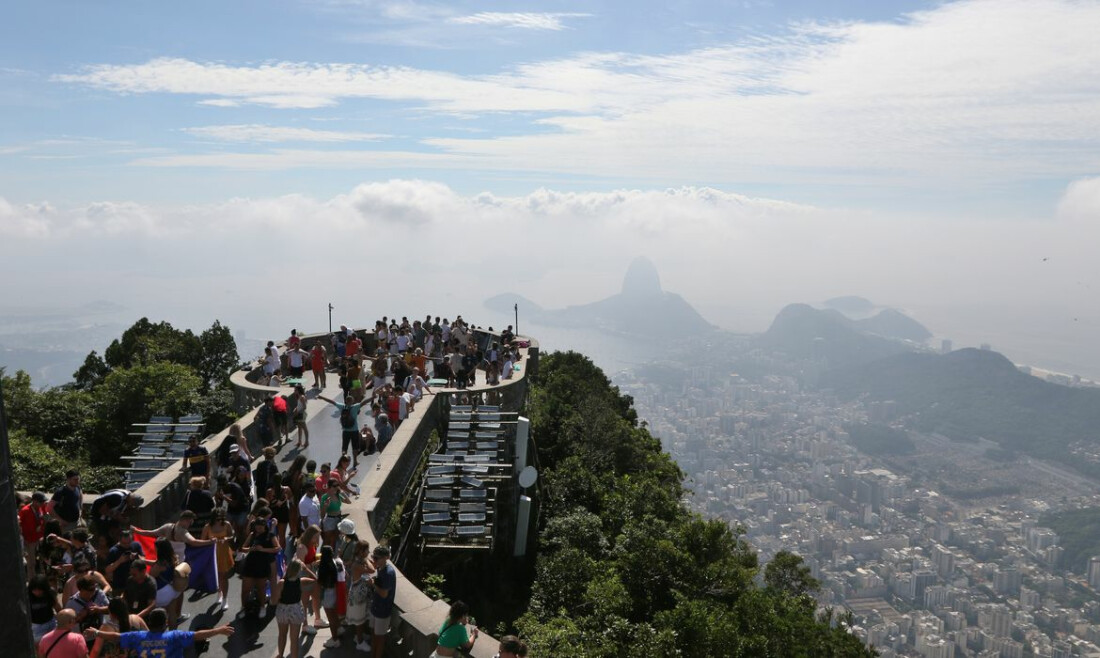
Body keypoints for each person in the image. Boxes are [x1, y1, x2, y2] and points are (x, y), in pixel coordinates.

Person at [85, 607, 234, 658]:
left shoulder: (138, 636)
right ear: (166, 624)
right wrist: (218, 630)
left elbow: (116, 637)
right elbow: (198, 635)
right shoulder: (174, 636)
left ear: (149, 623)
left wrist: (98, 632)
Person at [133, 510, 214, 563]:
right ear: (184, 520)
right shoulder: (183, 532)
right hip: (178, 562)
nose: (189, 525)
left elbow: (151, 533)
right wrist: (210, 542)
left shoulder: (167, 526)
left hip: (166, 561)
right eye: (189, 522)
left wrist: (137, 531)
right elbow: (193, 542)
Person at [275, 559, 315, 658]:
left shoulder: (281, 583)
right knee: (294, 639)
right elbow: (315, 579)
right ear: (299, 570)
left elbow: (275, 599)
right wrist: (307, 569)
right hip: (296, 610)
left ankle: (280, 655)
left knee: (282, 635)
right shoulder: (301, 581)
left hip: (283, 610)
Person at [147, 538, 190, 628]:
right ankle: (172, 634)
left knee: (160, 616)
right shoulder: (173, 558)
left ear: (159, 549)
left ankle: (160, 634)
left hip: (162, 593)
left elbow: (150, 577)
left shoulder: (159, 564)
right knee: (172, 612)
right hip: (174, 589)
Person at [318, 393, 367, 469]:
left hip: (345, 431)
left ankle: (343, 464)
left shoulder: (342, 407)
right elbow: (364, 402)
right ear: (352, 401)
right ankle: (355, 461)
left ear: (345, 401)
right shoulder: (355, 407)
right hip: (354, 430)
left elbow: (332, 402)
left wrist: (322, 397)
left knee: (344, 448)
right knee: (355, 447)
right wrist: (373, 397)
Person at [240, 518, 279, 612]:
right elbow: (243, 548)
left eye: (261, 527)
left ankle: (262, 607)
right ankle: (243, 607)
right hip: (251, 562)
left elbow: (277, 548)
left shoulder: (270, 535)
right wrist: (251, 549)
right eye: (257, 526)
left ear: (265, 526)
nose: (259, 529)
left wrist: (263, 549)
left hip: (264, 563)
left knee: (261, 588)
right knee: (245, 589)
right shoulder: (252, 534)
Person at [200, 508, 234, 610]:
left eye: (220, 518)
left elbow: (232, 535)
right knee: (216, 576)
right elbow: (202, 540)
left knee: (224, 576)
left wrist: (226, 538)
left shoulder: (227, 524)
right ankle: (219, 593)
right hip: (212, 554)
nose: (219, 520)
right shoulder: (207, 527)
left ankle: (225, 598)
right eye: (217, 518)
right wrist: (210, 540)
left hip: (224, 553)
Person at [345, 540, 375, 652]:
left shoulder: (358, 560)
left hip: (360, 592)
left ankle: (358, 636)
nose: (368, 552)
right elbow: (372, 570)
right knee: (359, 619)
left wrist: (366, 559)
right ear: (362, 552)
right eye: (367, 550)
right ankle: (360, 642)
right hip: (358, 594)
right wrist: (367, 560)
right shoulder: (357, 564)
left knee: (361, 616)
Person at [294, 525, 324, 633]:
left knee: (316, 597)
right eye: (316, 536)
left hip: (312, 574)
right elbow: (300, 565)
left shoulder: (313, 545)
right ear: (310, 536)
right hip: (305, 576)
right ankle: (305, 625)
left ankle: (318, 619)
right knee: (305, 602)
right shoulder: (302, 547)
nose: (317, 539)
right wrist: (312, 564)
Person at [317, 545, 346, 649]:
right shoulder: (338, 562)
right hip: (337, 591)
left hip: (328, 593)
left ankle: (335, 640)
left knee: (331, 618)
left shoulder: (324, 566)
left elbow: (319, 581)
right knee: (335, 614)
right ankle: (339, 629)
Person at [370, 544, 396, 658]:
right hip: (377, 607)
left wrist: (373, 585)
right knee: (375, 635)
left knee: (380, 638)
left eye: (376, 558)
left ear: (385, 558)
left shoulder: (388, 573)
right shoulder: (381, 568)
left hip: (383, 610)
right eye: (373, 557)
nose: (374, 560)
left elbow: (384, 594)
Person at [104, 528, 145, 594]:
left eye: (129, 542)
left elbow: (144, 560)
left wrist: (137, 557)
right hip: (120, 586)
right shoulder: (113, 551)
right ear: (119, 541)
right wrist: (119, 561)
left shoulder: (136, 545)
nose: (127, 545)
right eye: (124, 543)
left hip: (136, 583)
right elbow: (107, 570)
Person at [21, 491, 49, 580]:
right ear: (34, 501)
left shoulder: (42, 507)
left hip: (40, 538)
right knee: (31, 563)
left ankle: (43, 579)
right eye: (41, 502)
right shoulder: (25, 511)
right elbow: (21, 526)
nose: (43, 503)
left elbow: (44, 517)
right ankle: (32, 581)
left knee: (42, 560)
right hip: (30, 540)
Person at [29, 574, 61, 643]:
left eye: (40, 590)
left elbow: (57, 608)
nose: (37, 592)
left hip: (51, 623)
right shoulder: (27, 595)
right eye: (34, 590)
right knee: (40, 648)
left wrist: (63, 620)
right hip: (36, 626)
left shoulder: (50, 593)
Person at [319, 479, 349, 548]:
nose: (337, 487)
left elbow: (348, 502)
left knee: (335, 540)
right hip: (330, 520)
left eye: (337, 485)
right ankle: (324, 556)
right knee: (327, 541)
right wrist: (325, 506)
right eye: (334, 486)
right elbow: (322, 515)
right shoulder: (325, 497)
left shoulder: (337, 495)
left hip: (338, 519)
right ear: (329, 487)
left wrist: (343, 493)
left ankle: (332, 555)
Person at [289, 384, 309, 448]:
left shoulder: (302, 397)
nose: (294, 391)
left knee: (304, 428)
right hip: (299, 413)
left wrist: (298, 412)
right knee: (299, 428)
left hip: (301, 414)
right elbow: (299, 405)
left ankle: (306, 442)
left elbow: (304, 407)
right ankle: (299, 441)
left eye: (295, 390)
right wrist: (296, 409)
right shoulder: (299, 396)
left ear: (298, 390)